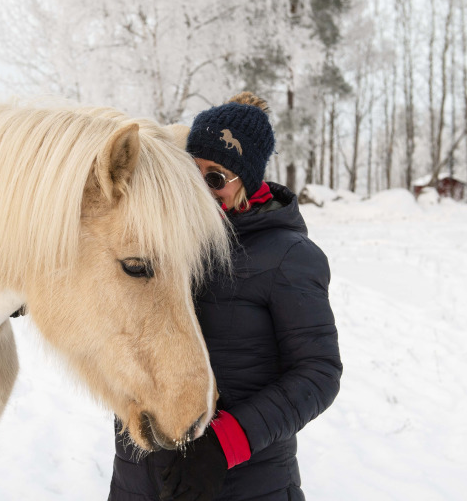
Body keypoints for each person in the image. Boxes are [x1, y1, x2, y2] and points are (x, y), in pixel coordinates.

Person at [107, 92, 342, 501]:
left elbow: (318, 374)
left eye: (215, 178)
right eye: (190, 174)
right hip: (139, 480)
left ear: (247, 181)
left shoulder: (289, 256)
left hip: (242, 482)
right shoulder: (164, 242)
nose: (200, 190)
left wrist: (223, 445)